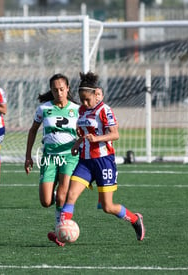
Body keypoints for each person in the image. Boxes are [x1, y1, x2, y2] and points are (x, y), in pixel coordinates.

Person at [60, 71, 145, 241]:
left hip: (104, 162)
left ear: (96, 95)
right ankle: (60, 232)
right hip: (85, 162)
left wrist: (97, 138)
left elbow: (115, 135)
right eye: (82, 99)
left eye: (87, 99)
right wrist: (78, 143)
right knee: (71, 195)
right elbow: (84, 133)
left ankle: (135, 219)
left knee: (107, 206)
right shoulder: (82, 110)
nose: (84, 103)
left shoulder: (105, 110)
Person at [24, 73, 80, 247]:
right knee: (45, 201)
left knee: (63, 196)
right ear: (51, 90)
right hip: (49, 158)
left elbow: (84, 133)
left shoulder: (77, 109)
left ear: (68, 88)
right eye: (55, 90)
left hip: (69, 157)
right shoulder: (44, 108)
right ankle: (58, 198)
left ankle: (59, 230)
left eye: (62, 89)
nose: (59, 92)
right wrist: (28, 156)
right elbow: (33, 130)